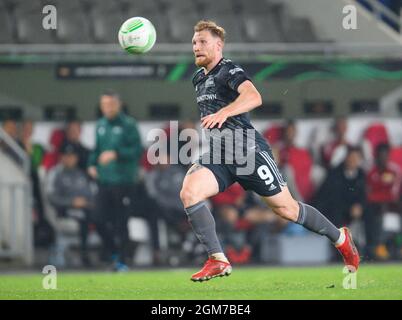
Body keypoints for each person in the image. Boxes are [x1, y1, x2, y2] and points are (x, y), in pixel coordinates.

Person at [180, 20, 360, 282]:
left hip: (248, 152)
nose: (196, 47)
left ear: (218, 45)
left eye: (203, 42)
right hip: (220, 153)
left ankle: (341, 238)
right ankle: (217, 258)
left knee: (287, 210)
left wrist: (225, 112)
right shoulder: (198, 78)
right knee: (189, 191)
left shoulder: (228, 70)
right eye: (194, 42)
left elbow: (254, 97)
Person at [88, 90, 143, 271]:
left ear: (118, 105)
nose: (108, 108)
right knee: (97, 217)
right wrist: (91, 164)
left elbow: (137, 150)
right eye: (104, 105)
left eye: (111, 104)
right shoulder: (100, 125)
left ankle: (122, 260)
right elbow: (97, 149)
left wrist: (116, 153)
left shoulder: (128, 124)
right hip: (105, 180)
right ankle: (113, 251)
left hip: (124, 181)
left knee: (121, 222)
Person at [47, 143, 94, 266]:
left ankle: (110, 253)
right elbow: (51, 197)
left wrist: (86, 203)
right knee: (83, 217)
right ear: (61, 157)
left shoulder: (81, 174)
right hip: (64, 211)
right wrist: (71, 202)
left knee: (95, 215)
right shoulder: (55, 173)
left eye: (72, 156)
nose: (69, 159)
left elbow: (90, 195)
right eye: (66, 156)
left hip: (84, 209)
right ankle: (84, 253)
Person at [365, 143, 402, 260]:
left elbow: (394, 192)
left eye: (385, 155)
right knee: (375, 212)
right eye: (380, 155)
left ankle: (399, 245)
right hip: (378, 207)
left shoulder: (394, 171)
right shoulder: (371, 173)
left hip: (393, 205)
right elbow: (369, 194)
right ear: (376, 156)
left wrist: (385, 200)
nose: (383, 158)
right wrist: (381, 200)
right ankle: (379, 246)